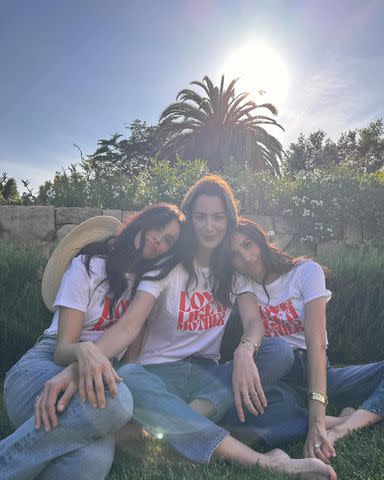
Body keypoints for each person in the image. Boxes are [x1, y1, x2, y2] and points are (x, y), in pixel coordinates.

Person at [28, 175, 336, 479]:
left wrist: (245, 350)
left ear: (229, 220)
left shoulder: (232, 271)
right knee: (131, 377)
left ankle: (178, 426)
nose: (209, 226)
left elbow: (254, 322)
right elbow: (128, 327)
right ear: (189, 219)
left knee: (278, 352)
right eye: (200, 216)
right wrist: (78, 366)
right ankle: (261, 460)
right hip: (158, 375)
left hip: (208, 377)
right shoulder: (166, 266)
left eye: (217, 217)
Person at [0, 203, 184, 480]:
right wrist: (85, 351)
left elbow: (129, 363)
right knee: (117, 402)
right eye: (158, 226)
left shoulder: (145, 290)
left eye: (169, 240)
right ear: (143, 222)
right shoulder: (88, 266)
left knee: (89, 464)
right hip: (43, 370)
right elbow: (63, 350)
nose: (159, 239)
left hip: (93, 390)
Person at [224, 216, 384, 465]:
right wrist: (243, 351)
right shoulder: (241, 281)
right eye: (234, 253)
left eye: (247, 245)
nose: (244, 257)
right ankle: (341, 419)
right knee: (247, 409)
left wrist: (318, 419)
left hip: (314, 367)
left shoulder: (306, 272)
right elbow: (252, 326)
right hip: (279, 375)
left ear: (261, 241)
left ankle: (343, 427)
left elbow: (317, 341)